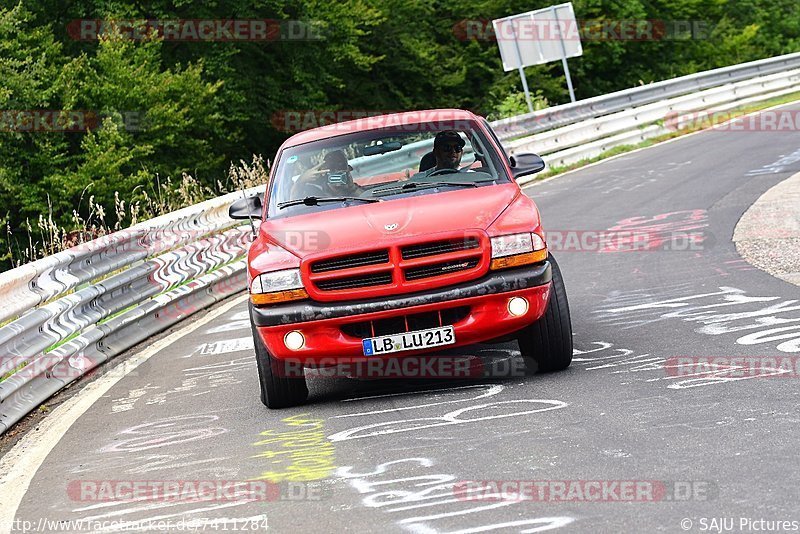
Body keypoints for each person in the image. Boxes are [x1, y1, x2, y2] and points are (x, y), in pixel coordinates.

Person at [290, 150, 363, 198]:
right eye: (332, 169)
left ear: (349, 170)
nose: (336, 172)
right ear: (323, 173)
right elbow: (292, 207)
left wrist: (352, 188)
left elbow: (369, 200)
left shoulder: (352, 190)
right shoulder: (314, 192)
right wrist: (301, 181)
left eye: (341, 168)